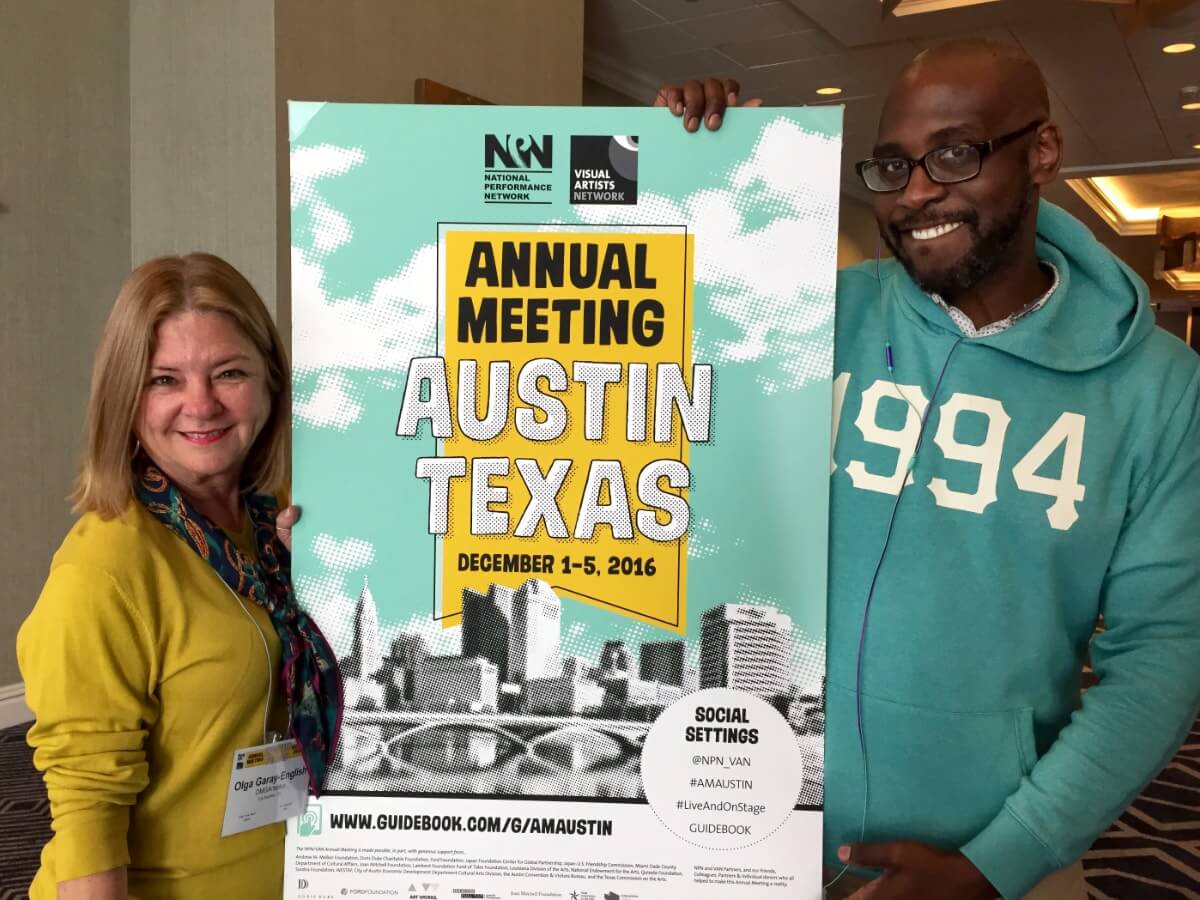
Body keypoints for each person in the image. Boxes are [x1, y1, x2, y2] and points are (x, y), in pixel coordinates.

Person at [656, 40, 1200, 900]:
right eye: (894, 165)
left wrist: (997, 865)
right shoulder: (811, 314)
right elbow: (641, 373)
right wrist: (691, 170)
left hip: (992, 859)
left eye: (956, 153)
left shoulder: (1160, 391)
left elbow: (1165, 658)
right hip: (737, 837)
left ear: (1043, 153)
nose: (916, 193)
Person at [17, 254, 341, 899]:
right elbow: (87, 808)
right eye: (164, 379)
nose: (202, 404)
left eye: (229, 373)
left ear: (271, 381)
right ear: (126, 398)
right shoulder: (105, 568)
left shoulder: (289, 527)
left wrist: (317, 573)